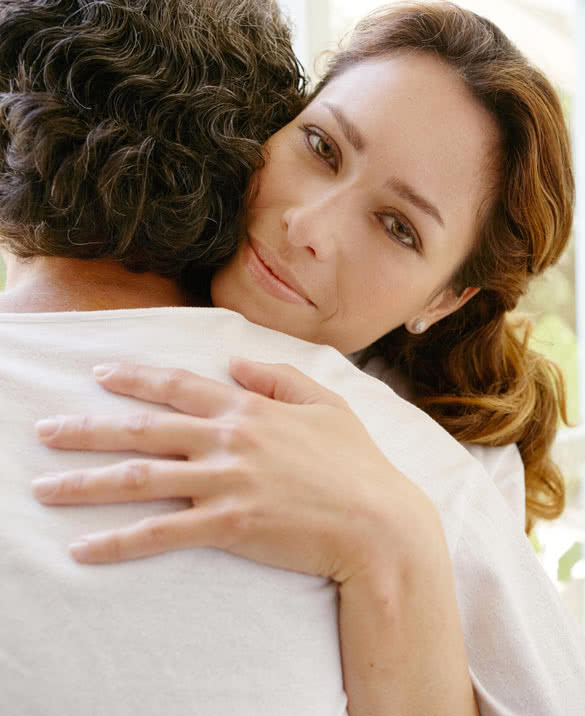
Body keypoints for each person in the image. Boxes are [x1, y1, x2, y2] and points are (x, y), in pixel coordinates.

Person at [0, 1, 583, 715]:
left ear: (445, 299)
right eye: (322, 147)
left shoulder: (446, 472)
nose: (309, 227)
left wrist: (392, 537)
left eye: (397, 227)